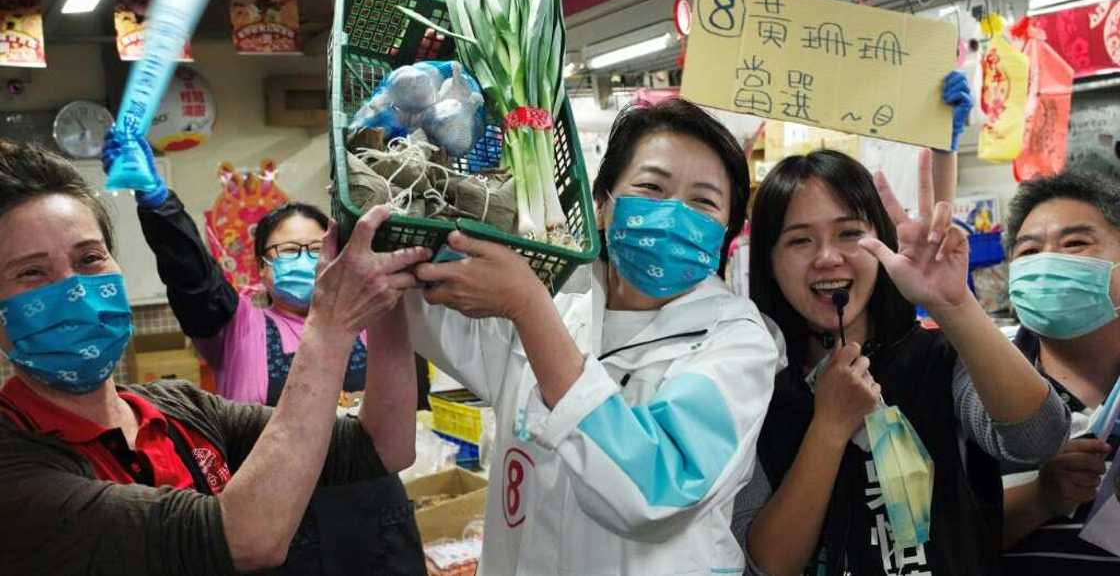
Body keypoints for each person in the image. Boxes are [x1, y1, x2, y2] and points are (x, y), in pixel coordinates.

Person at [0, 140, 429, 575]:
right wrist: (332, 325)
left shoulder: (178, 410)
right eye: (32, 272)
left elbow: (383, 445)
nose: (74, 289)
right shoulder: (15, 467)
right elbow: (245, 538)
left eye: (89, 258)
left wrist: (388, 290)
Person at [405, 99, 780, 574]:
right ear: (602, 204)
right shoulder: (563, 298)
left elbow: (654, 492)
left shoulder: (736, 344)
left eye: (702, 202)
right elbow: (424, 308)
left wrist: (529, 309)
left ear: (725, 231)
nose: (672, 214)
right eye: (651, 187)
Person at [736, 147, 1070, 576]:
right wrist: (830, 426)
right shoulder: (754, 387)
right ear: (768, 260)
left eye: (849, 233)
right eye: (799, 240)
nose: (827, 257)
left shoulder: (938, 359)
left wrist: (954, 304)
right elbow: (766, 565)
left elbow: (1039, 440)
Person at [101, 129, 428, 407]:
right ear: (263, 267)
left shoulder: (370, 320)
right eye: (288, 251)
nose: (305, 260)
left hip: (373, 481)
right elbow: (195, 281)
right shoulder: (239, 328)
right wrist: (158, 203)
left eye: (317, 250)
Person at [1001, 170, 1120, 574]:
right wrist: (1039, 498)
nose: (1049, 262)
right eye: (1029, 252)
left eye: (1074, 244)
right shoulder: (974, 390)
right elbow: (933, 542)